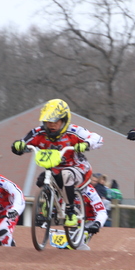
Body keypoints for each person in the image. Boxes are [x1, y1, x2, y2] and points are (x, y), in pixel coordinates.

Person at [11, 98, 105, 232]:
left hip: (78, 169)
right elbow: (23, 143)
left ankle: (71, 212)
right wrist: (18, 146)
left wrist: (86, 144)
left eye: (55, 121)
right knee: (42, 179)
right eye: (48, 121)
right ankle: (47, 208)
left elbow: (98, 138)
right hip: (54, 171)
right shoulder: (38, 132)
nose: (51, 125)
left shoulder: (74, 131)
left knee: (66, 174)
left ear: (64, 120)